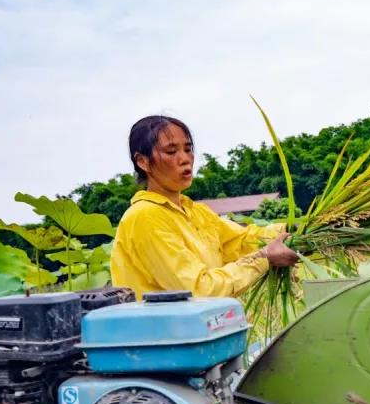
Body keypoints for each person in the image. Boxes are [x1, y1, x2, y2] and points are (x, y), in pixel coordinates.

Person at [110, 115, 299, 299]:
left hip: (202, 327)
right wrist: (264, 258)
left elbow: (242, 241)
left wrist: (294, 231)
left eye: (188, 149)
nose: (185, 159)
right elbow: (199, 291)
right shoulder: (144, 216)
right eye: (171, 152)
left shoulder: (196, 212)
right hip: (160, 330)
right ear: (143, 161)